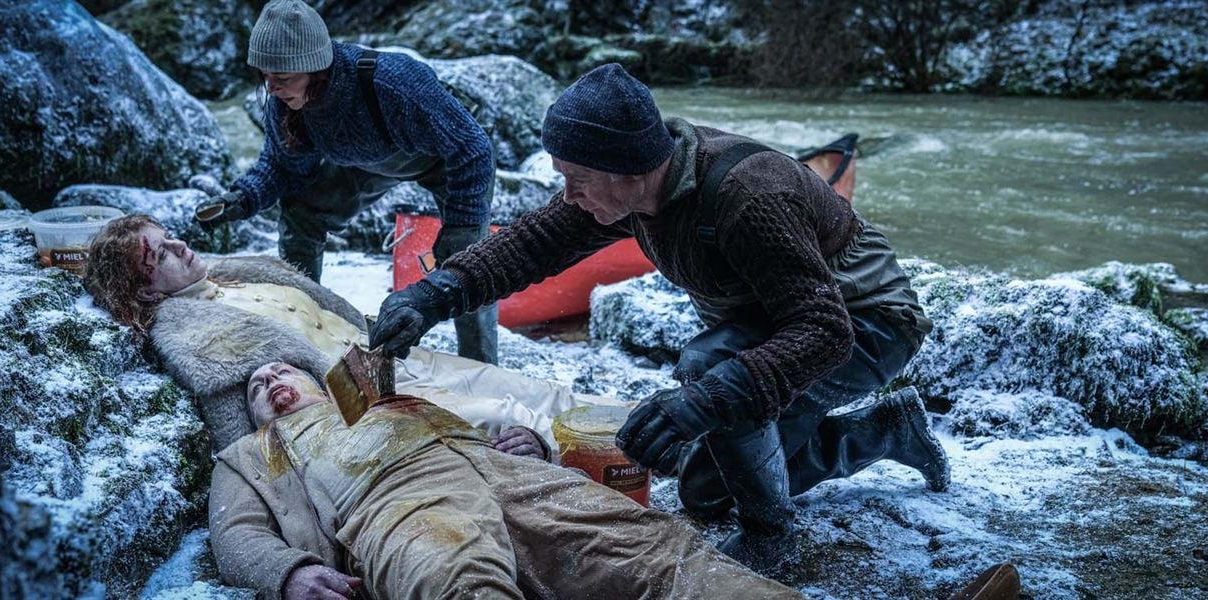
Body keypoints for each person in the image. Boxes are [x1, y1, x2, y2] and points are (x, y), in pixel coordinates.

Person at [366, 64, 950, 573]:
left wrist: (707, 399)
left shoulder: (750, 196)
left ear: (625, 170)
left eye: (577, 180)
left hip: (866, 323)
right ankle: (886, 432)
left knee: (709, 370)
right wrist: (435, 294)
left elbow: (823, 331)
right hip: (776, 325)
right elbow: (532, 244)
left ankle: (773, 536)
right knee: (705, 490)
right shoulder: (631, 188)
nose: (569, 196)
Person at [209, 354, 804, 600]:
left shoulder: (384, 398)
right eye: (259, 389)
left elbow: (497, 415)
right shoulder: (251, 451)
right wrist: (289, 574)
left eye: (283, 370)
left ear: (317, 380)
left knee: (657, 549)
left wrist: (534, 444)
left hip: (508, 474)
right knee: (460, 584)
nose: (272, 383)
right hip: (397, 505)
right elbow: (235, 535)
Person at [80, 215, 618, 454]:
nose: (178, 247)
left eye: (171, 237)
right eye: (160, 255)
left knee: (536, 390)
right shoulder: (184, 332)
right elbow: (233, 421)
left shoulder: (231, 268)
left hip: (389, 355)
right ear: (146, 292)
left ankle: (656, 429)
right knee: (507, 419)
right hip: (358, 396)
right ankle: (613, 456)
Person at [193, 0, 498, 364]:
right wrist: (241, 199)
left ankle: (482, 366)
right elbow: (283, 168)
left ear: (314, 67)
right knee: (301, 214)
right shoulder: (285, 103)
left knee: (467, 261)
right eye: (264, 75)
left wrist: (461, 223)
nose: (271, 88)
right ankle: (306, 326)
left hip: (440, 161)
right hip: (357, 164)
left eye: (283, 77)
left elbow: (474, 149)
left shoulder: (392, 81)